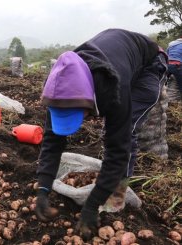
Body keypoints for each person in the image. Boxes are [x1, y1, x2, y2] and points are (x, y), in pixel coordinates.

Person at [35, 29, 167, 239]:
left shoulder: (113, 88)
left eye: (79, 116)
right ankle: (109, 190)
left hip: (150, 63)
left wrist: (92, 204)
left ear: (89, 101)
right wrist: (43, 189)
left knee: (126, 129)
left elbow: (118, 150)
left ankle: (115, 198)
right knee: (113, 128)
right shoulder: (59, 88)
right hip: (118, 57)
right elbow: (52, 139)